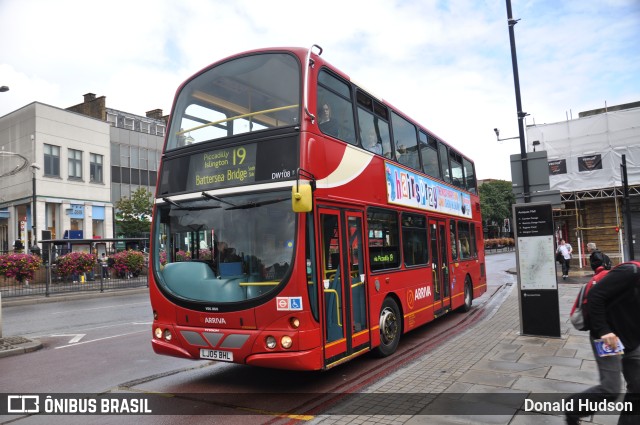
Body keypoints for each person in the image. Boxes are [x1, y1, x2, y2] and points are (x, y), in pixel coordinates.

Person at [564, 262, 640, 425]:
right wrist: (604, 331)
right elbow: (595, 296)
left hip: (633, 341)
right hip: (608, 338)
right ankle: (574, 408)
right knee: (610, 390)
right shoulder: (630, 272)